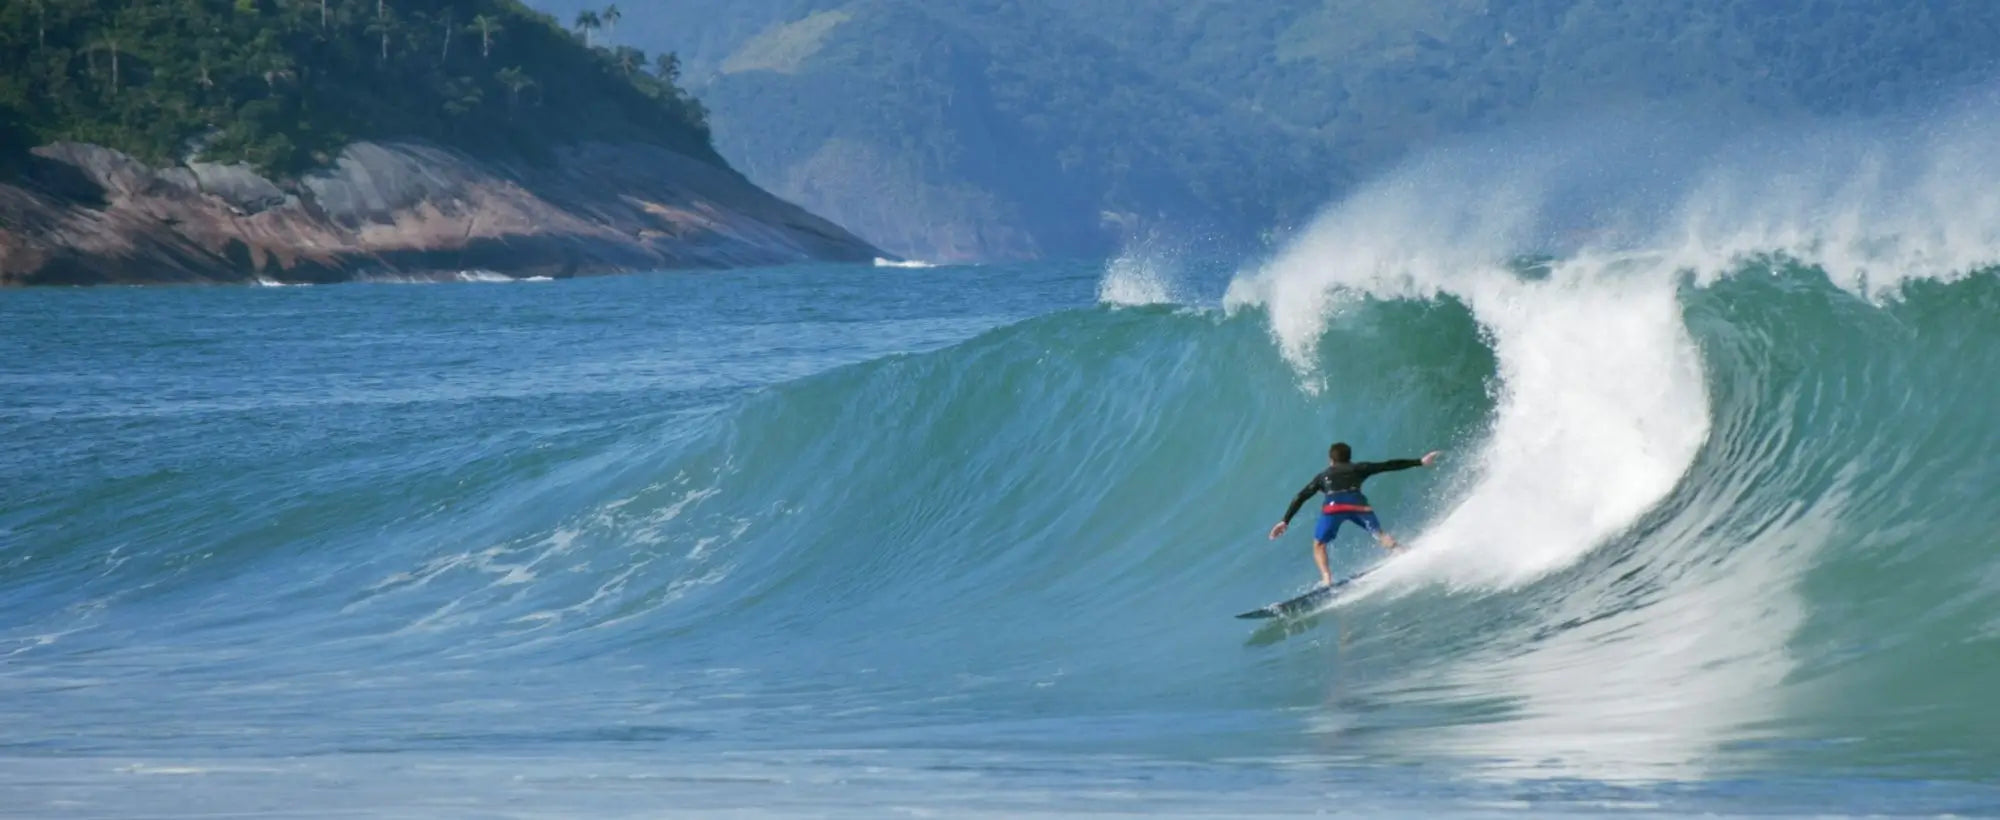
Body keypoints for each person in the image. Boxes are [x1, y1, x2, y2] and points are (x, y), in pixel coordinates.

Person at [1267, 442, 1441, 587]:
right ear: (1349, 457)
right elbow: (1388, 465)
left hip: (1333, 506)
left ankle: (1327, 579)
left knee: (1319, 544)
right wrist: (1420, 461)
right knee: (1378, 534)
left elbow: (1301, 496)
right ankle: (1401, 551)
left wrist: (1285, 520)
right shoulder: (1359, 468)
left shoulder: (1322, 477)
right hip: (1357, 504)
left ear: (1330, 460)